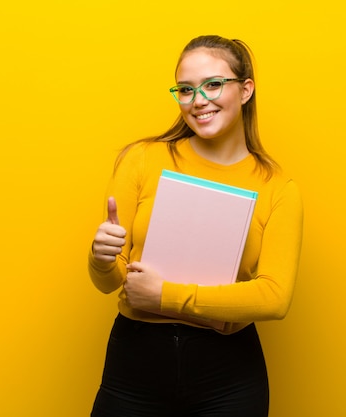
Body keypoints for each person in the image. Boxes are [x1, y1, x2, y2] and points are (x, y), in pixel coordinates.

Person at [88, 35, 303, 417]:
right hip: (135, 361)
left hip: (229, 374)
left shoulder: (277, 187)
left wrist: (164, 296)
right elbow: (114, 282)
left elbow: (275, 297)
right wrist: (101, 259)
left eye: (213, 84)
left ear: (246, 89)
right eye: (186, 90)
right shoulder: (142, 159)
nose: (198, 100)